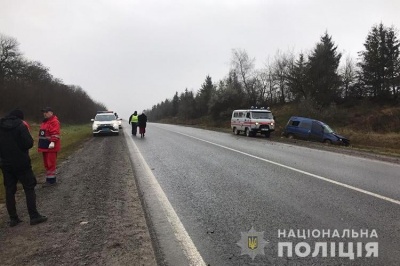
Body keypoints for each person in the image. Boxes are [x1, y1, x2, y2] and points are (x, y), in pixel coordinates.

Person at [0, 109, 47, 226]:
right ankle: (34, 216)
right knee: (29, 187)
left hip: (5, 163)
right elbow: (29, 143)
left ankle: (13, 219)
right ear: (19, 117)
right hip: (21, 162)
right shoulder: (20, 126)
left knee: (9, 190)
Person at [38, 107, 61, 187]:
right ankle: (48, 179)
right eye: (44, 112)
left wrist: (52, 142)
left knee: (51, 163)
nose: (44, 114)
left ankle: (51, 181)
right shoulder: (45, 122)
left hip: (51, 147)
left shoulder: (54, 122)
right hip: (44, 147)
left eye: (46, 112)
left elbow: (55, 133)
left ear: (51, 112)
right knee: (47, 164)